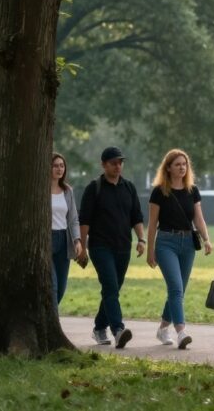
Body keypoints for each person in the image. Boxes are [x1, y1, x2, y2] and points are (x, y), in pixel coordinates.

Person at [146, 149, 213, 349]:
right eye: (177, 164)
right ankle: (181, 331)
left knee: (179, 290)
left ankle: (162, 329)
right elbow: (152, 224)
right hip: (166, 242)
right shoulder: (159, 191)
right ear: (168, 168)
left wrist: (207, 239)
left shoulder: (192, 190)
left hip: (187, 244)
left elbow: (198, 218)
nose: (182, 167)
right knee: (175, 288)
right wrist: (151, 250)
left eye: (184, 164)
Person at [80, 146, 145, 348]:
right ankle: (118, 330)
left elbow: (136, 216)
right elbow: (85, 220)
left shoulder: (129, 187)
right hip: (100, 247)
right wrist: (82, 248)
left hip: (123, 246)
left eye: (120, 162)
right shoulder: (94, 187)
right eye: (113, 163)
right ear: (104, 165)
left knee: (113, 289)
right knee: (110, 286)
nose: (118, 166)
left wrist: (141, 239)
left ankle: (99, 328)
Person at [50, 152, 84, 307]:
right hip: (47, 240)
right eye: (55, 166)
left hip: (64, 240)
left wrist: (77, 240)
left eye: (62, 166)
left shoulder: (67, 191)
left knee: (61, 288)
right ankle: (52, 322)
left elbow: (73, 219)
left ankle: (49, 319)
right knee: (53, 286)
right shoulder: (41, 190)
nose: (59, 169)